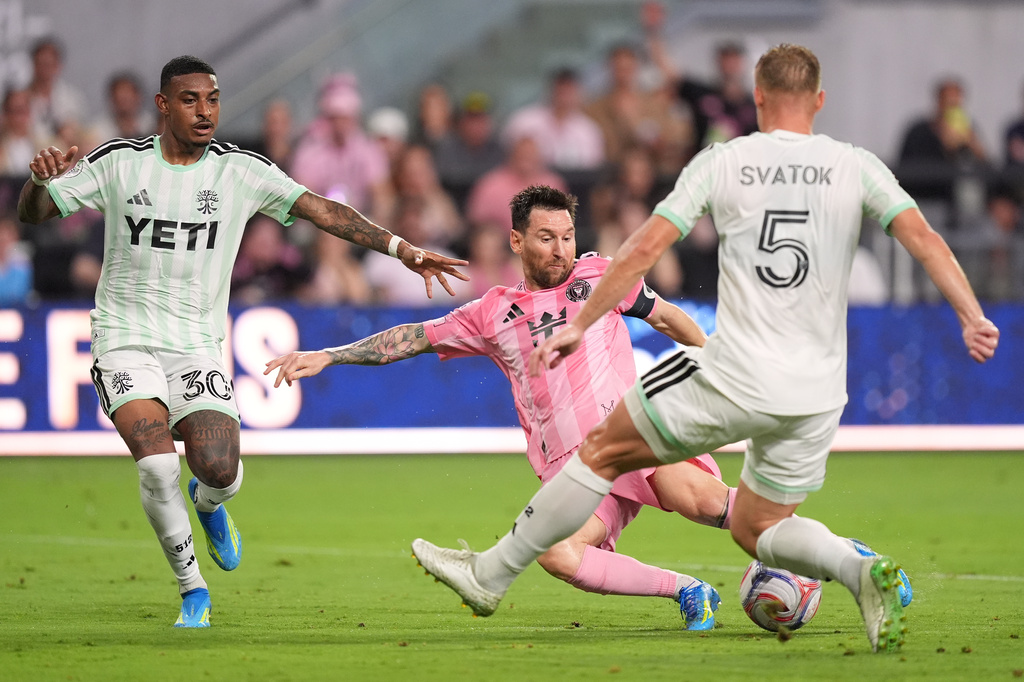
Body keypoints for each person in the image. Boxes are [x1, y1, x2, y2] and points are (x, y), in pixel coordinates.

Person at [410, 44, 998, 654]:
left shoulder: (726, 161)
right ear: (820, 102)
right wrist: (972, 315)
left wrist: (580, 321)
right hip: (821, 386)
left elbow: (643, 248)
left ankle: (488, 574)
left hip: (742, 367)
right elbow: (923, 236)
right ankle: (856, 565)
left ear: (757, 97)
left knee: (602, 445)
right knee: (756, 524)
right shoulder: (856, 165)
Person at [16, 55, 467, 629]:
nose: (205, 112)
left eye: (213, 99)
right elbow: (34, 214)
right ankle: (193, 591)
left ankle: (210, 506)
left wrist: (405, 250)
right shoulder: (120, 163)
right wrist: (38, 181)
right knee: (156, 467)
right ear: (162, 105)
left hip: (197, 344)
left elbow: (321, 210)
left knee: (220, 468)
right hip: (123, 338)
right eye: (190, 100)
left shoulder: (241, 171)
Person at [265, 185, 734, 629]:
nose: (560, 250)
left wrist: (715, 364)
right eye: (547, 238)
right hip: (575, 472)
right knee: (555, 553)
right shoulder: (491, 313)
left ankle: (796, 558)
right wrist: (329, 354)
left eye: (568, 237)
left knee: (701, 500)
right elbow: (413, 338)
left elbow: (668, 317)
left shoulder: (601, 277)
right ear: (516, 239)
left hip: (634, 437)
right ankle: (688, 590)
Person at [501, 68, 606, 173]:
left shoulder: (588, 130)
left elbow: (593, 168)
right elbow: (506, 158)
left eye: (569, 90)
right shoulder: (523, 121)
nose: (565, 96)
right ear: (551, 89)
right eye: (561, 90)